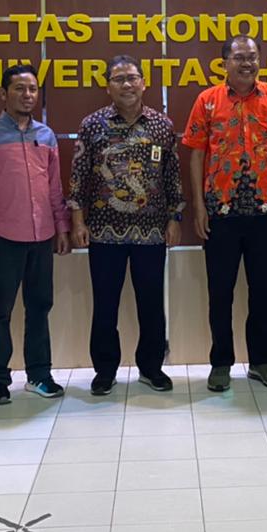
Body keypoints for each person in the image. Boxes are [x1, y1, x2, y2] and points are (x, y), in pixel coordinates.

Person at [184, 35, 267, 392]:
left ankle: (262, 362)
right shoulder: (207, 100)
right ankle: (221, 363)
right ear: (225, 63)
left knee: (264, 291)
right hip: (221, 212)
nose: (246, 63)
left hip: (266, 211)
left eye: (252, 57)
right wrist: (199, 205)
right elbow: (196, 155)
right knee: (220, 292)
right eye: (239, 57)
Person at [69, 55, 185, 396]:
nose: (127, 84)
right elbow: (78, 176)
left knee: (151, 303)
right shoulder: (93, 125)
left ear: (143, 83)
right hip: (104, 231)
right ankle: (105, 371)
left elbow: (172, 177)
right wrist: (77, 220)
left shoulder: (161, 125)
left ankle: (151, 367)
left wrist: (174, 217)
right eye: (119, 79)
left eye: (132, 78)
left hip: (152, 231)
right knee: (105, 304)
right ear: (108, 87)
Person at [0, 64, 71, 403]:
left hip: (42, 236)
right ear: (3, 93)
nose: (27, 95)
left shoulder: (46, 135)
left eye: (32, 89)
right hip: (3, 238)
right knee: (1, 311)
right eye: (19, 89)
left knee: (40, 307)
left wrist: (61, 227)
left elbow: (54, 189)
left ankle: (39, 375)